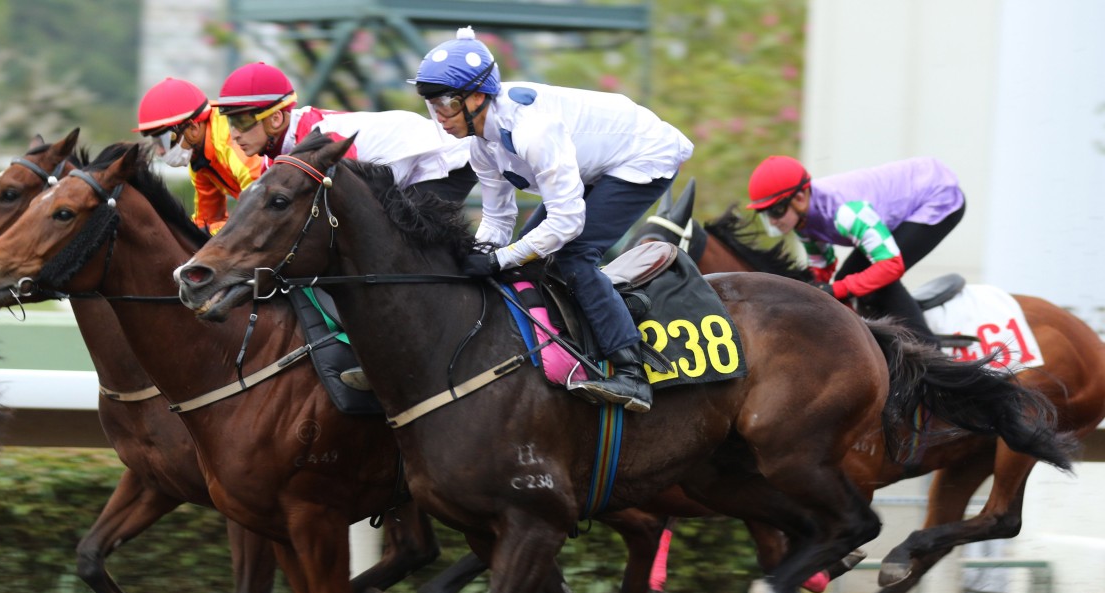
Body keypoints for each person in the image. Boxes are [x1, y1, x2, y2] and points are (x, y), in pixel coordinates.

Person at [412, 27, 694, 413]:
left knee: (572, 255)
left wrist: (499, 258)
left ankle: (632, 374)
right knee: (528, 260)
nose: (438, 115)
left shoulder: (533, 132)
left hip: (643, 155)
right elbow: (497, 218)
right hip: (596, 162)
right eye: (431, 102)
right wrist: (479, 257)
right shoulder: (481, 145)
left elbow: (566, 225)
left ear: (478, 96)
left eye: (445, 102)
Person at [746, 155, 966, 341]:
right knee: (849, 281)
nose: (772, 220)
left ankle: (931, 358)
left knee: (875, 283)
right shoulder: (801, 222)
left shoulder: (847, 213)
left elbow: (891, 265)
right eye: (765, 213)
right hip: (903, 201)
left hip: (936, 197)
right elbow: (821, 268)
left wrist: (837, 289)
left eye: (775, 210)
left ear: (800, 198)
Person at [211, 61, 476, 204]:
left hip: (443, 160)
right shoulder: (273, 159)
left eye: (242, 122)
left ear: (277, 118)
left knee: (406, 244)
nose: (234, 135)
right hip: (395, 174)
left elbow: (354, 201)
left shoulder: (320, 138)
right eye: (230, 123)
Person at [134, 77, 264, 233]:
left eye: (165, 140)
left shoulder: (229, 139)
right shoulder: (199, 161)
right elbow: (207, 219)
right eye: (157, 142)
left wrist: (207, 231)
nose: (160, 151)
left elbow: (260, 208)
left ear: (194, 128)